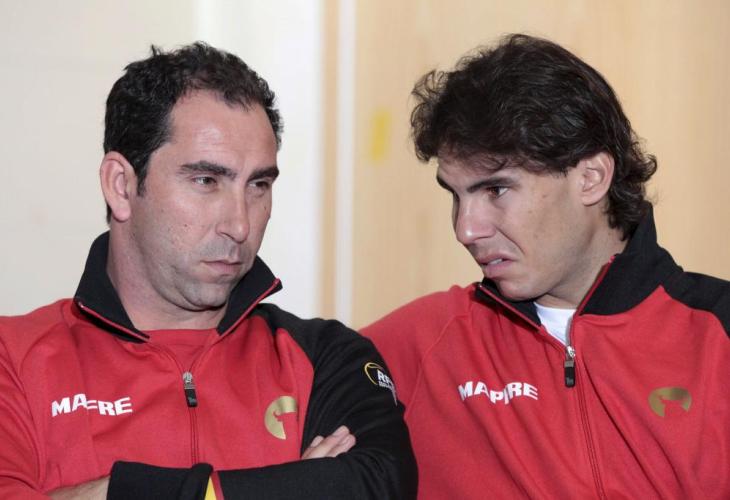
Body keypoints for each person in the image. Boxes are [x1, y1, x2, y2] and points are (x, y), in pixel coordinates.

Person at [0, 43, 416, 499]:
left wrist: (118, 491)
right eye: (206, 181)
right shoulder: (13, 360)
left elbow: (377, 484)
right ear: (121, 186)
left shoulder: (326, 356)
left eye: (258, 184)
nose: (239, 225)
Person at [363, 34, 729, 499]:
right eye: (455, 195)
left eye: (495, 190)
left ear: (591, 178)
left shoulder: (718, 336)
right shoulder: (417, 346)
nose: (466, 229)